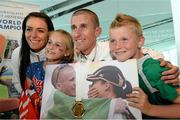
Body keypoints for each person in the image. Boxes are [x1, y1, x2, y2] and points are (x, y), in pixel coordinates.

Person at [71, 8, 179, 85]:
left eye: (83, 27)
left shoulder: (112, 49)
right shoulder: (70, 58)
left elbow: (143, 52)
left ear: (97, 31)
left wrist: (164, 65)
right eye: (74, 28)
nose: (76, 34)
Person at [108, 13, 180, 119]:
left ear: (140, 41)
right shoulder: (122, 68)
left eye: (124, 39)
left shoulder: (153, 70)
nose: (117, 46)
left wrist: (150, 109)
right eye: (113, 40)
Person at [19, 29, 74, 119]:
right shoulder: (33, 68)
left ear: (66, 52)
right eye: (49, 42)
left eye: (57, 45)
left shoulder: (69, 71)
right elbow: (26, 93)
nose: (51, 47)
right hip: (35, 114)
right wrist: (35, 99)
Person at [11, 12, 54, 95]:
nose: (33, 35)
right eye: (29, 29)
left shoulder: (59, 52)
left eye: (40, 31)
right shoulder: (17, 53)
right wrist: (32, 97)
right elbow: (17, 82)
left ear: (50, 33)